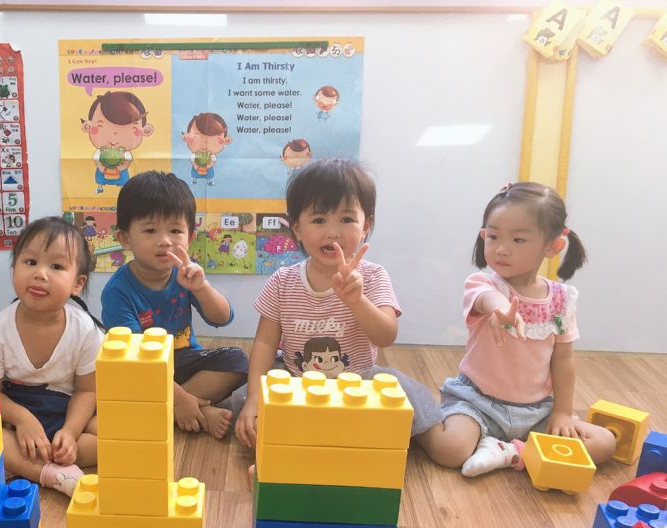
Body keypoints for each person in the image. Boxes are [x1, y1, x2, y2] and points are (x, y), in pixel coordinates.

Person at [235, 158, 441, 449]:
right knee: (246, 410)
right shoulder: (283, 281)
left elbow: (386, 336)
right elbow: (265, 343)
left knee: (428, 435)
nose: (333, 232)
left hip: (358, 387)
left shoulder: (373, 276)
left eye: (346, 220)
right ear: (297, 228)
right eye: (319, 220)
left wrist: (357, 301)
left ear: (366, 225)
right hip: (297, 385)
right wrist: (255, 398)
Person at [419, 182, 616, 476]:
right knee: (451, 449)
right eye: (493, 236)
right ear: (483, 236)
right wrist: (500, 309)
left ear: (553, 246)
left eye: (518, 240)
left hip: (537, 411)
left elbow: (564, 360)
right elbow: (487, 299)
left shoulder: (561, 299)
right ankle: (418, 418)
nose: (501, 249)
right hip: (478, 403)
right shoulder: (482, 284)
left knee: (604, 443)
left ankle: (510, 452)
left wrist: (562, 412)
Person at [102, 171, 248, 439]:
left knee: (238, 360)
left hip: (183, 361)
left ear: (190, 237)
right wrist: (178, 398)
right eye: (150, 230)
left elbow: (222, 318)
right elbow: (135, 360)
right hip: (142, 372)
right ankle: (194, 410)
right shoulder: (117, 291)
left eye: (175, 230)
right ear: (125, 238)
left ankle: (170, 410)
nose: (165, 240)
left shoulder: (186, 274)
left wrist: (201, 288)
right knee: (116, 381)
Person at [0, 217, 104, 496]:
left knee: (116, 435)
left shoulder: (85, 329)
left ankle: (27, 462)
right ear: (14, 270)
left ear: (77, 283)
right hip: (14, 413)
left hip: (65, 408)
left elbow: (87, 391)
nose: (40, 274)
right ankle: (50, 473)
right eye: (30, 262)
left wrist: (70, 433)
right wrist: (21, 419)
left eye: (56, 266)